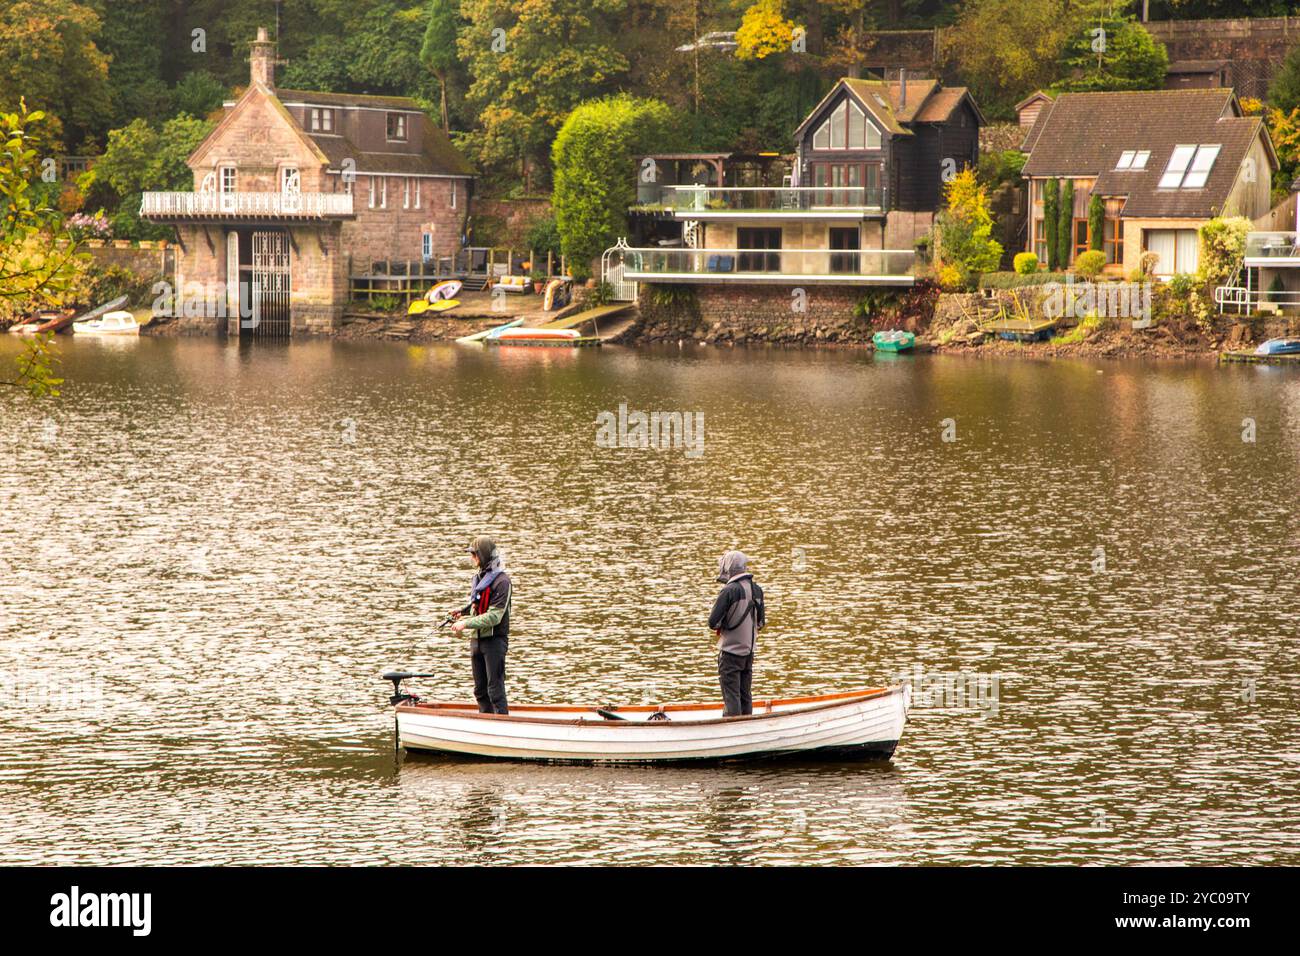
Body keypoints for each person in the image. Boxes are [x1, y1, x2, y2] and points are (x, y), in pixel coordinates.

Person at [449, 535, 511, 714]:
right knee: (480, 691)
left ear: (482, 556)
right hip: (476, 641)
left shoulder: (503, 582)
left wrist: (466, 623)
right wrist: (462, 612)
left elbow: (494, 617)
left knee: (495, 691)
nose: (472, 558)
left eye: (474, 554)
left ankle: (502, 727)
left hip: (494, 642)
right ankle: (486, 723)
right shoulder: (478, 578)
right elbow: (478, 604)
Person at [708, 550, 764, 717]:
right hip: (748, 652)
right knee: (745, 695)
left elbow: (712, 622)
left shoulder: (729, 591)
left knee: (731, 696)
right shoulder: (757, 590)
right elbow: (760, 623)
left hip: (730, 652)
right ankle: (747, 728)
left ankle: (732, 729)